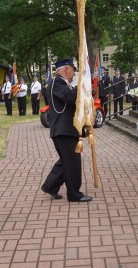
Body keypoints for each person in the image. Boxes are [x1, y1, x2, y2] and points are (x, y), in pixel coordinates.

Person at [41, 59, 92, 202]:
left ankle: (50, 186)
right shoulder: (58, 82)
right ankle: (74, 194)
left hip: (64, 129)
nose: (74, 73)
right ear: (66, 69)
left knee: (66, 161)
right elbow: (68, 97)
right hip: (63, 130)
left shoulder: (60, 83)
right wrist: (82, 84)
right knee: (72, 162)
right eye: (73, 70)